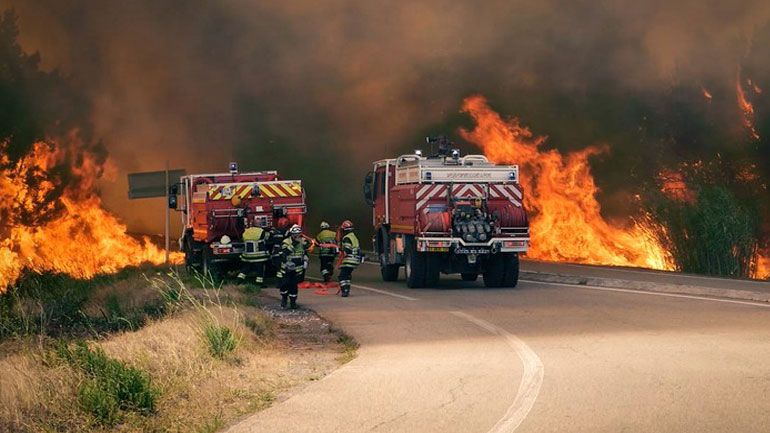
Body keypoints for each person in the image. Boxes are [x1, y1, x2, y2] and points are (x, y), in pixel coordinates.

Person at [279, 224, 310, 309]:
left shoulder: (303, 241)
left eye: (299, 234)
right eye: (295, 234)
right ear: (291, 234)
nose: (297, 236)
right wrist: (295, 243)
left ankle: (293, 303)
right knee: (284, 284)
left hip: (297, 268)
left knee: (294, 286)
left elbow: (306, 250)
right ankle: (284, 299)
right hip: (287, 268)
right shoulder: (286, 241)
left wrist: (306, 259)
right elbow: (285, 252)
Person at [237, 218, 270, 288]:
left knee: (245, 269)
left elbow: (242, 238)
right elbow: (268, 237)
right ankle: (259, 283)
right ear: (259, 225)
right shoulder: (261, 231)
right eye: (260, 223)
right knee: (260, 269)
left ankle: (239, 280)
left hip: (247, 256)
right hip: (258, 256)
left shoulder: (246, 231)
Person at [337, 220, 362, 298]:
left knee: (342, 276)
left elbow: (347, 249)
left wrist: (340, 249)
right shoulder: (353, 236)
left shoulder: (346, 238)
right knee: (347, 274)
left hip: (349, 259)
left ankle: (345, 290)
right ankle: (346, 289)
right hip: (355, 259)